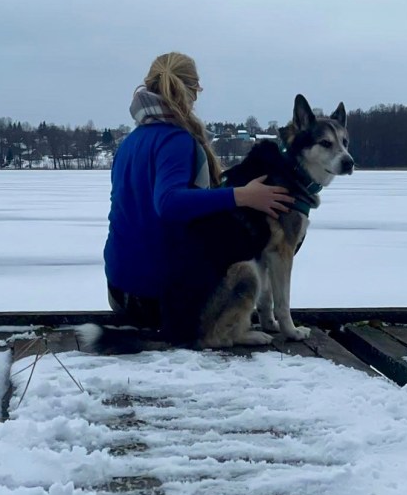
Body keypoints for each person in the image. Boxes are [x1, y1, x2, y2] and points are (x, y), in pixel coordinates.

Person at [103, 52, 292, 327]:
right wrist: (242, 196)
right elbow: (168, 203)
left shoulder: (131, 141)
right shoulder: (175, 139)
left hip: (120, 292)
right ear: (192, 90)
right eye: (197, 91)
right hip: (157, 300)